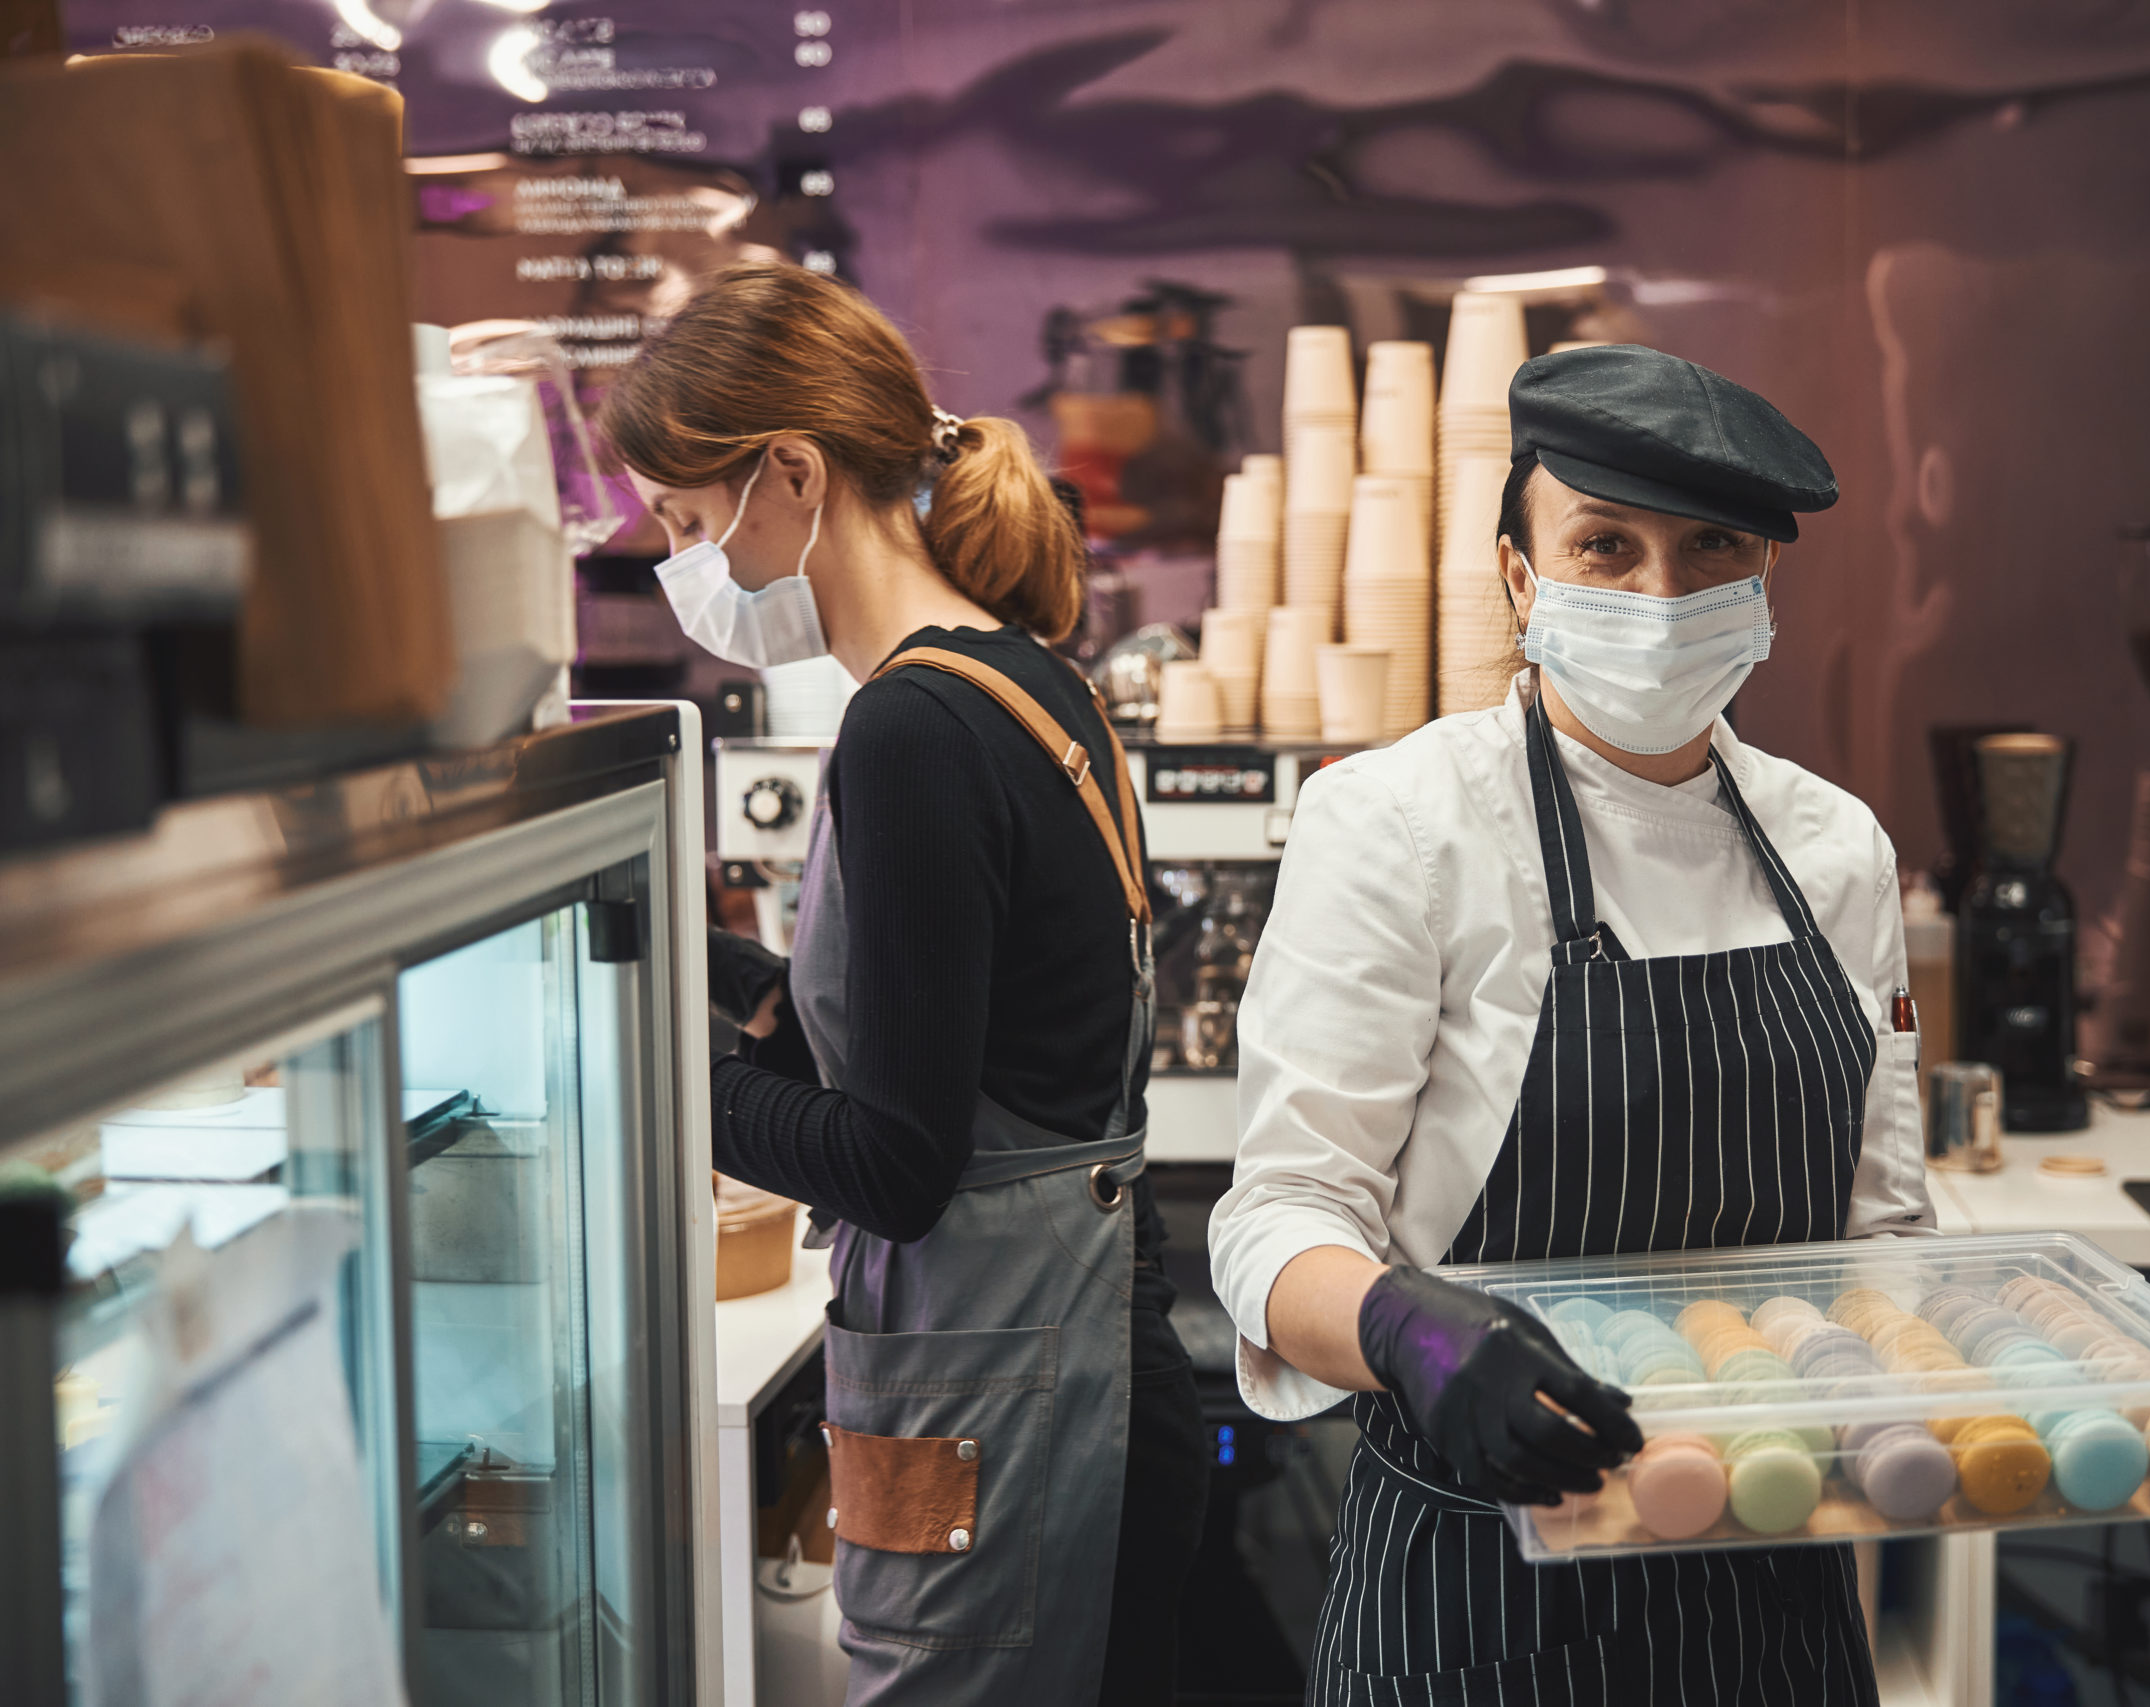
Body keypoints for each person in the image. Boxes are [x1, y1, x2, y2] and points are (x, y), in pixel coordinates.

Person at [1208, 344, 1934, 1702]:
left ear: (1765, 580)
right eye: (1606, 547)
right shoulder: (1404, 826)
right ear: (1519, 577)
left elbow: (1881, 1226)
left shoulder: (1836, 848)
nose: (1663, 597)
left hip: (1769, 1580)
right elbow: (1276, 1221)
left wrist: (1930, 1396)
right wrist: (1405, 1335)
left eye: (1711, 548)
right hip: (1483, 1596)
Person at [602, 260, 1208, 1707]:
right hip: (1074, 1368)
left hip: (1016, 1402)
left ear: (792, 474)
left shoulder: (908, 728)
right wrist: (719, 976)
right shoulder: (1021, 676)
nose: (685, 564)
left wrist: (659, 1080)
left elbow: (896, 1162)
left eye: (688, 521)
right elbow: (948, 1026)